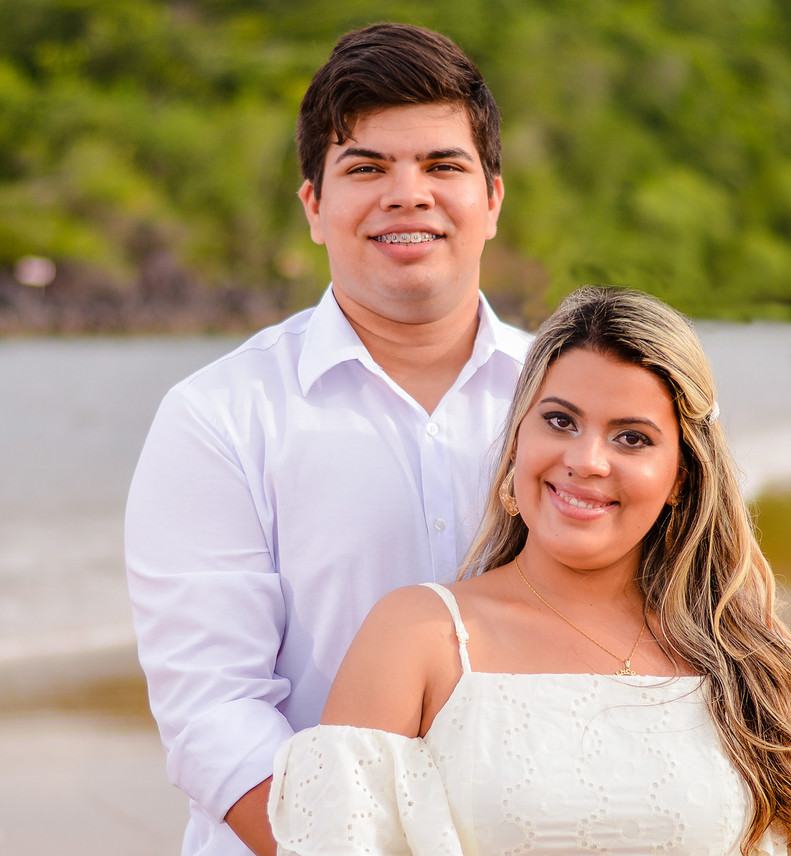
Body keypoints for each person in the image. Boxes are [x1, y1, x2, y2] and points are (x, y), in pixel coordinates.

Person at [268, 286, 791, 855]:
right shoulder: (418, 635)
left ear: (680, 478)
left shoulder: (756, 667)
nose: (587, 460)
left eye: (631, 437)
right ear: (520, 435)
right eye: (561, 421)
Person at [125, 23, 530, 856]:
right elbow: (215, 715)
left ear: (492, 199)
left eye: (442, 165)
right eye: (366, 167)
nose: (408, 193)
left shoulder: (572, 407)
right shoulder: (219, 416)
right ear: (314, 207)